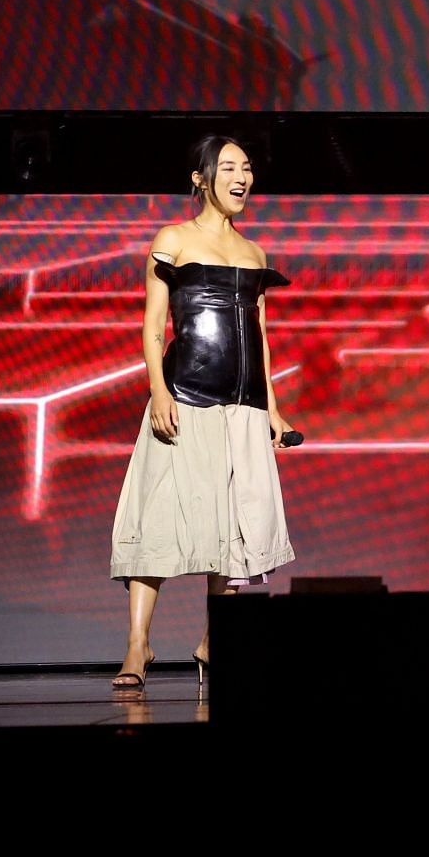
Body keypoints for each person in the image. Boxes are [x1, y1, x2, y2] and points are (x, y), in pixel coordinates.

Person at [108, 135, 297, 689]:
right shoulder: (173, 240)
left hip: (242, 405)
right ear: (201, 178)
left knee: (232, 527)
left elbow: (260, 333)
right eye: (230, 167)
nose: (242, 177)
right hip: (185, 396)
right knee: (158, 519)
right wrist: (158, 391)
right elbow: (152, 326)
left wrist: (274, 410)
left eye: (248, 168)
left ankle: (214, 642)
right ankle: (138, 646)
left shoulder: (254, 254)